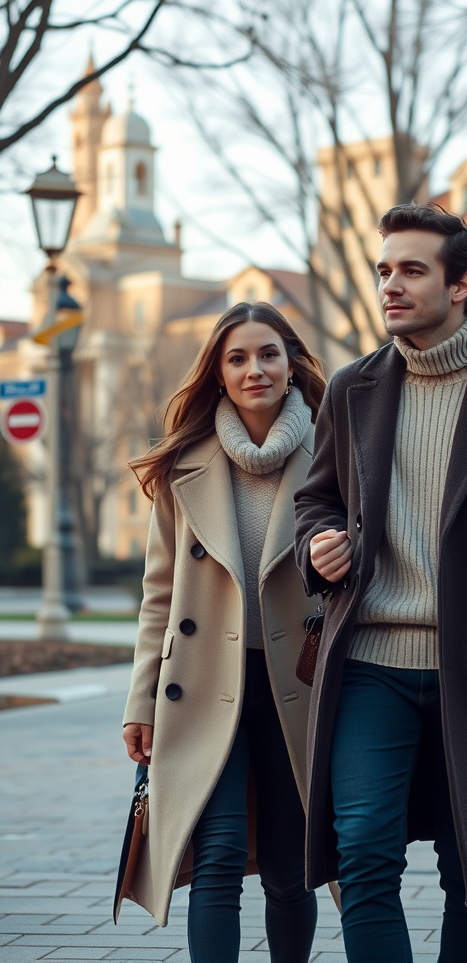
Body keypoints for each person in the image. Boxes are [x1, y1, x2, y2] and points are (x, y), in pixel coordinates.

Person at [294, 204, 467, 963]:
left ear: (463, 284)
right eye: (384, 269)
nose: (390, 284)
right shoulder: (351, 387)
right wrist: (316, 541)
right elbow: (317, 497)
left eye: (411, 270)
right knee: (363, 859)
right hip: (369, 667)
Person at [118, 302, 326, 963]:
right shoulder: (187, 465)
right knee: (217, 857)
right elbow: (159, 595)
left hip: (300, 684)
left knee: (292, 870)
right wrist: (139, 703)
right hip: (205, 686)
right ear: (218, 374)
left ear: (291, 364)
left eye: (267, 353)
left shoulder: (336, 453)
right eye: (236, 358)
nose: (253, 369)